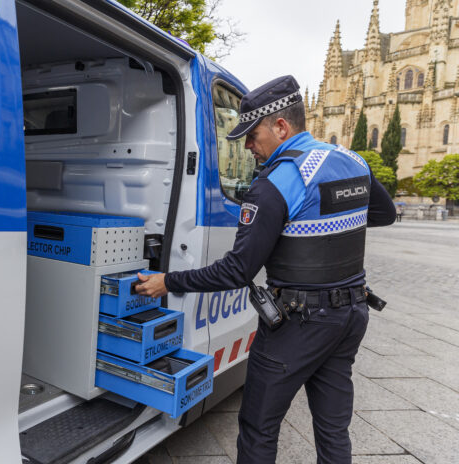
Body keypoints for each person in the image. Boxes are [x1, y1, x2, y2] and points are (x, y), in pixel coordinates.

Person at [135, 75, 396, 464]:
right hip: (351, 314)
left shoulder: (278, 181)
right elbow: (384, 213)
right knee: (333, 428)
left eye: (252, 136)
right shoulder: (351, 159)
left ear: (280, 126)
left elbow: (237, 271)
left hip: (299, 322)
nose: (248, 147)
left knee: (258, 428)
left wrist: (168, 281)